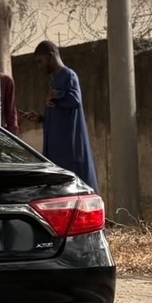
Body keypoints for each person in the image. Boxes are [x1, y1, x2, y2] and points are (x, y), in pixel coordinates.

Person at [23, 40, 99, 192]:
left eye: (41, 61)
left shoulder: (69, 75)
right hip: (55, 150)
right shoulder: (55, 80)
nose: (40, 66)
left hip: (69, 150)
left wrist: (57, 96)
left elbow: (75, 101)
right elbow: (60, 112)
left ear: (51, 57)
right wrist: (40, 118)